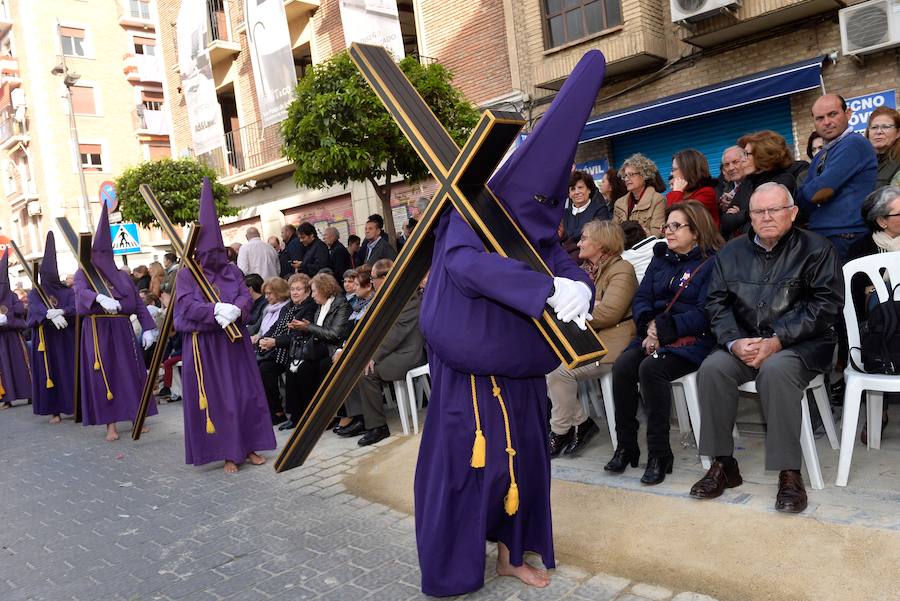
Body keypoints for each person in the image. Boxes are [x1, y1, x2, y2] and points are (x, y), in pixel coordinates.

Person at [415, 50, 603, 596]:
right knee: (468, 474)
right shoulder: (468, 208)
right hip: (467, 375)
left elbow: (557, 254)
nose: (543, 211)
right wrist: (544, 289)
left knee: (523, 469)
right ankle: (451, 572)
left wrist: (579, 286)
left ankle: (510, 555)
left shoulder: (539, 218)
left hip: (520, 372)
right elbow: (465, 265)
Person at [690, 182, 842, 513]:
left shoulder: (817, 248)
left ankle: (789, 472)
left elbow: (826, 305)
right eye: (759, 211)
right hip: (747, 342)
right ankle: (723, 463)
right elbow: (715, 304)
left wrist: (778, 339)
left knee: (775, 371)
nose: (767, 217)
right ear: (750, 216)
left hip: (801, 345)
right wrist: (733, 342)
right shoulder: (730, 252)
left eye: (775, 209)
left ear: (793, 212)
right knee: (713, 369)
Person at [606, 200, 722, 484]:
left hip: (693, 339)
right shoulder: (661, 258)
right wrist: (649, 329)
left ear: (696, 231)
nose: (668, 232)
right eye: (666, 226)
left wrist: (664, 331)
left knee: (651, 369)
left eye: (676, 226)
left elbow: (708, 312)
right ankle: (626, 446)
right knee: (622, 366)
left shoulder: (711, 263)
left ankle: (659, 453)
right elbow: (642, 299)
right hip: (653, 335)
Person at [173, 179, 276, 473]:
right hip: (206, 348)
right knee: (220, 400)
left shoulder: (232, 270)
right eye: (209, 253)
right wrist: (214, 309)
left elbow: (245, 296)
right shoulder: (187, 275)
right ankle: (229, 452)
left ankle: (251, 445)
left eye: (219, 251)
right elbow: (186, 307)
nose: (215, 258)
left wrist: (236, 310)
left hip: (235, 342)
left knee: (245, 394)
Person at [547, 220, 637, 457]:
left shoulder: (622, 270)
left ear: (602, 243)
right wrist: (589, 305)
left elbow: (610, 313)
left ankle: (560, 430)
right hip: (588, 339)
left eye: (584, 238)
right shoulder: (585, 270)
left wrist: (578, 307)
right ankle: (580, 422)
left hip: (613, 344)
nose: (578, 243)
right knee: (545, 363)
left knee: (560, 371)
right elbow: (595, 308)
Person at [75, 209, 159, 441]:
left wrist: (149, 327)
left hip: (122, 330)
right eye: (98, 251)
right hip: (97, 330)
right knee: (104, 373)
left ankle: (136, 417)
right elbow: (80, 295)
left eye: (105, 251)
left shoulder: (122, 276)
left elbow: (138, 303)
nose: (101, 255)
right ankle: (110, 424)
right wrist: (97, 298)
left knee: (129, 372)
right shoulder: (84, 274)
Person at [340, 259, 426, 445]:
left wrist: (373, 355)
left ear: (386, 277)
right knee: (350, 365)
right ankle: (361, 418)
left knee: (366, 373)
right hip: (392, 350)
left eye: (373, 279)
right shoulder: (387, 296)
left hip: (408, 354)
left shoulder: (407, 298)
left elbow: (396, 334)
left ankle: (378, 427)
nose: (371, 283)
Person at [847, 186, 900, 443]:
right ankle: (879, 410)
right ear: (881, 220)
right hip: (878, 331)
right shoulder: (861, 249)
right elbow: (854, 300)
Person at [797, 94, 878, 260]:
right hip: (825, 236)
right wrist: (807, 194)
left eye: (832, 114)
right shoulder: (822, 154)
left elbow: (819, 190)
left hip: (847, 237)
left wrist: (808, 194)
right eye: (820, 118)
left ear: (848, 113)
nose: (826, 122)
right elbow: (807, 193)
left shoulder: (853, 143)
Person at [279, 272, 352, 429]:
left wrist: (307, 327)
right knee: (295, 367)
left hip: (333, 348)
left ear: (324, 289)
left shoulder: (341, 305)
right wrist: (304, 328)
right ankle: (302, 414)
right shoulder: (321, 306)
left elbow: (334, 334)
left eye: (314, 291)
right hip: (319, 346)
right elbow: (317, 330)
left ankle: (325, 414)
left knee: (312, 367)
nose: (312, 295)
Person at [27, 232, 76, 423]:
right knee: (50, 373)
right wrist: (47, 313)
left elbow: (75, 307)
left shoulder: (67, 291)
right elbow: (34, 307)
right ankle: (54, 411)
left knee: (68, 370)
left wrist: (62, 311)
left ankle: (73, 405)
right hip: (45, 339)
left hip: (65, 338)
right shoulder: (36, 292)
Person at [256, 274, 316, 425]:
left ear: (307, 291)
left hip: (299, 349)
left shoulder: (309, 307)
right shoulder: (289, 307)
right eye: (292, 289)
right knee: (264, 368)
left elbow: (299, 335)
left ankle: (295, 414)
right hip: (283, 349)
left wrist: (275, 342)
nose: (295, 292)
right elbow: (275, 327)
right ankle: (276, 410)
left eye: (299, 289)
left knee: (288, 367)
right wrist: (264, 339)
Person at [721, 131, 797, 240]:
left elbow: (762, 220)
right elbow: (726, 222)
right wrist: (748, 214)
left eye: (746, 154)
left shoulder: (783, 180)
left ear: (762, 155)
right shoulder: (748, 181)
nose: (742, 160)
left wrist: (742, 214)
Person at [0, 248, 31, 409]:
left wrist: (8, 316)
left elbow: (21, 309)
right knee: (3, 367)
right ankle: (6, 398)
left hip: (13, 337)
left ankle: (29, 393)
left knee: (21, 365)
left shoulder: (12, 295)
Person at [612, 154, 666, 238]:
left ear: (644, 175)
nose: (626, 179)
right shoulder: (619, 203)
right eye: (625, 176)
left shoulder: (658, 200)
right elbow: (613, 234)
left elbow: (656, 234)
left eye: (631, 174)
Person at [667, 149, 719, 226]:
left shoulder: (707, 192)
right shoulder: (680, 192)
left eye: (674, 169)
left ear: (687, 170)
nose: (671, 173)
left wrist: (677, 192)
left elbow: (681, 218)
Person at [561, 170, 611, 243]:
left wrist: (567, 237)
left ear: (589, 189)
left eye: (580, 187)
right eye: (573, 189)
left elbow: (596, 237)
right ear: (569, 194)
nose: (577, 192)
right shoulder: (563, 214)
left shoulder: (600, 210)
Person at [865, 107, 900, 189]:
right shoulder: (862, 163)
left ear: (898, 132)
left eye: (886, 127)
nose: (879, 131)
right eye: (874, 127)